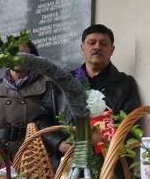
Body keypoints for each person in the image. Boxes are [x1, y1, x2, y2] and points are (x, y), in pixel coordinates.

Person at [34, 24, 141, 168]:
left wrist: (104, 140)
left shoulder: (125, 84)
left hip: (109, 167)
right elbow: (41, 120)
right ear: (82, 48)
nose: (97, 47)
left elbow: (132, 123)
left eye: (103, 44)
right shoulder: (62, 82)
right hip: (67, 164)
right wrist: (58, 142)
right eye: (92, 43)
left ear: (112, 50)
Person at [0, 40, 47, 158]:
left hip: (33, 158)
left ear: (32, 57)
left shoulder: (45, 86)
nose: (17, 57)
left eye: (22, 53)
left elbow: (49, 125)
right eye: (13, 53)